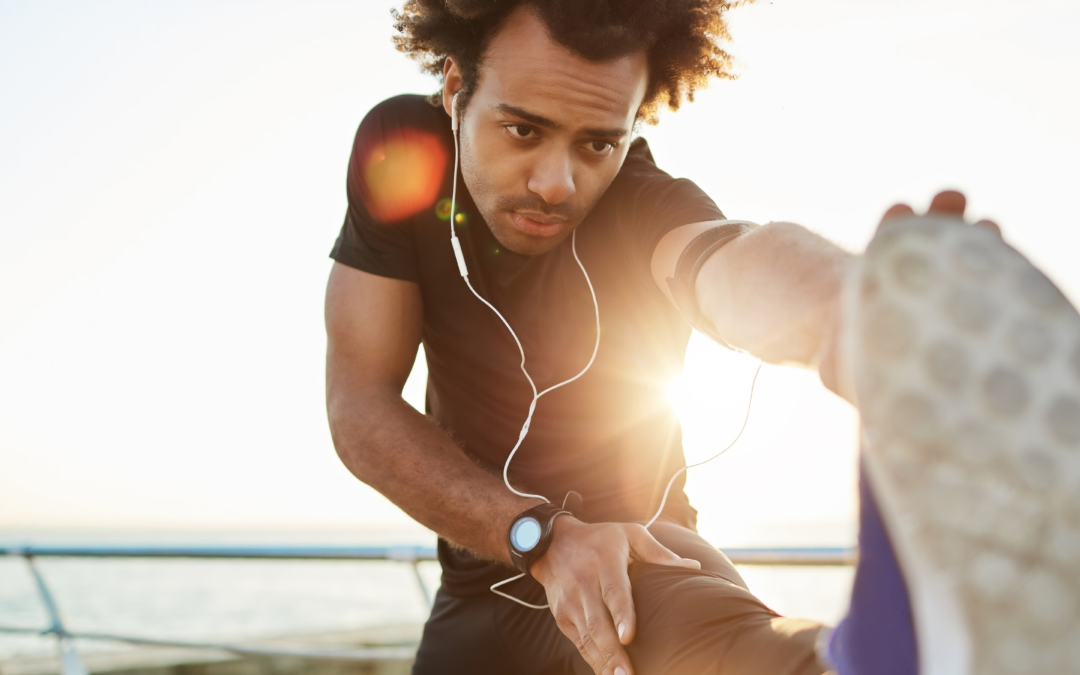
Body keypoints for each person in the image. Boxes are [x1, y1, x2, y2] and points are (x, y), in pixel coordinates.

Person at [324, 1, 1080, 673]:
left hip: (642, 560)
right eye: (524, 130)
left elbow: (727, 261)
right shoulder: (403, 151)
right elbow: (360, 405)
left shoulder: (647, 203)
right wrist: (540, 536)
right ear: (455, 89)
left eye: (597, 143)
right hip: (479, 580)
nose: (557, 183)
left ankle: (886, 654)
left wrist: (857, 307)